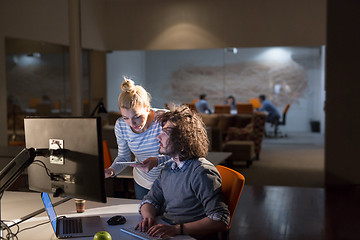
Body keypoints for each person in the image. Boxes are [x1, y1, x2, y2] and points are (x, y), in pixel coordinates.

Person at [136, 105, 230, 239]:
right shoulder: (168, 168)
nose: (158, 137)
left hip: (188, 236)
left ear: (183, 139)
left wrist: (177, 229)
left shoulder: (202, 172)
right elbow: (150, 200)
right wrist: (148, 217)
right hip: (169, 231)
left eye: (165, 133)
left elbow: (220, 220)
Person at [104, 77, 171, 200]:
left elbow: (180, 154)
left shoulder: (164, 120)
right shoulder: (121, 125)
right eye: (126, 118)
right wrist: (111, 171)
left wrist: (157, 161)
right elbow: (124, 157)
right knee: (143, 217)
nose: (132, 123)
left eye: (137, 117)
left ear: (147, 107)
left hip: (171, 181)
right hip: (143, 181)